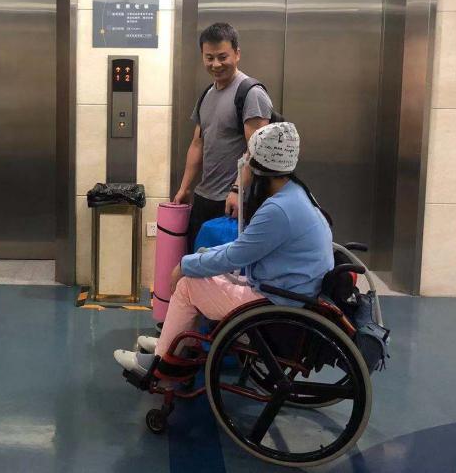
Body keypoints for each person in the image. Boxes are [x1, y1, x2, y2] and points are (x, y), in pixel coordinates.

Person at [115, 123, 333, 374]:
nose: (243, 161)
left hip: (277, 301)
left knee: (187, 285)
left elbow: (235, 255)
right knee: (201, 276)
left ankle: (163, 363)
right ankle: (175, 345)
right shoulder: (297, 194)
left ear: (259, 165)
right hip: (291, 291)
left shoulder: (278, 210)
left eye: (248, 156)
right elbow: (246, 246)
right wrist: (203, 258)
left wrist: (185, 265)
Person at [172, 22, 274, 252]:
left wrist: (237, 191)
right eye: (209, 58)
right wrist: (185, 188)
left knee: (227, 272)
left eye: (222, 57)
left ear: (237, 54)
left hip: (234, 202)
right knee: (196, 264)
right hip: (204, 197)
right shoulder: (207, 94)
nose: (215, 64)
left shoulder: (251, 94)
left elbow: (257, 149)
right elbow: (197, 144)